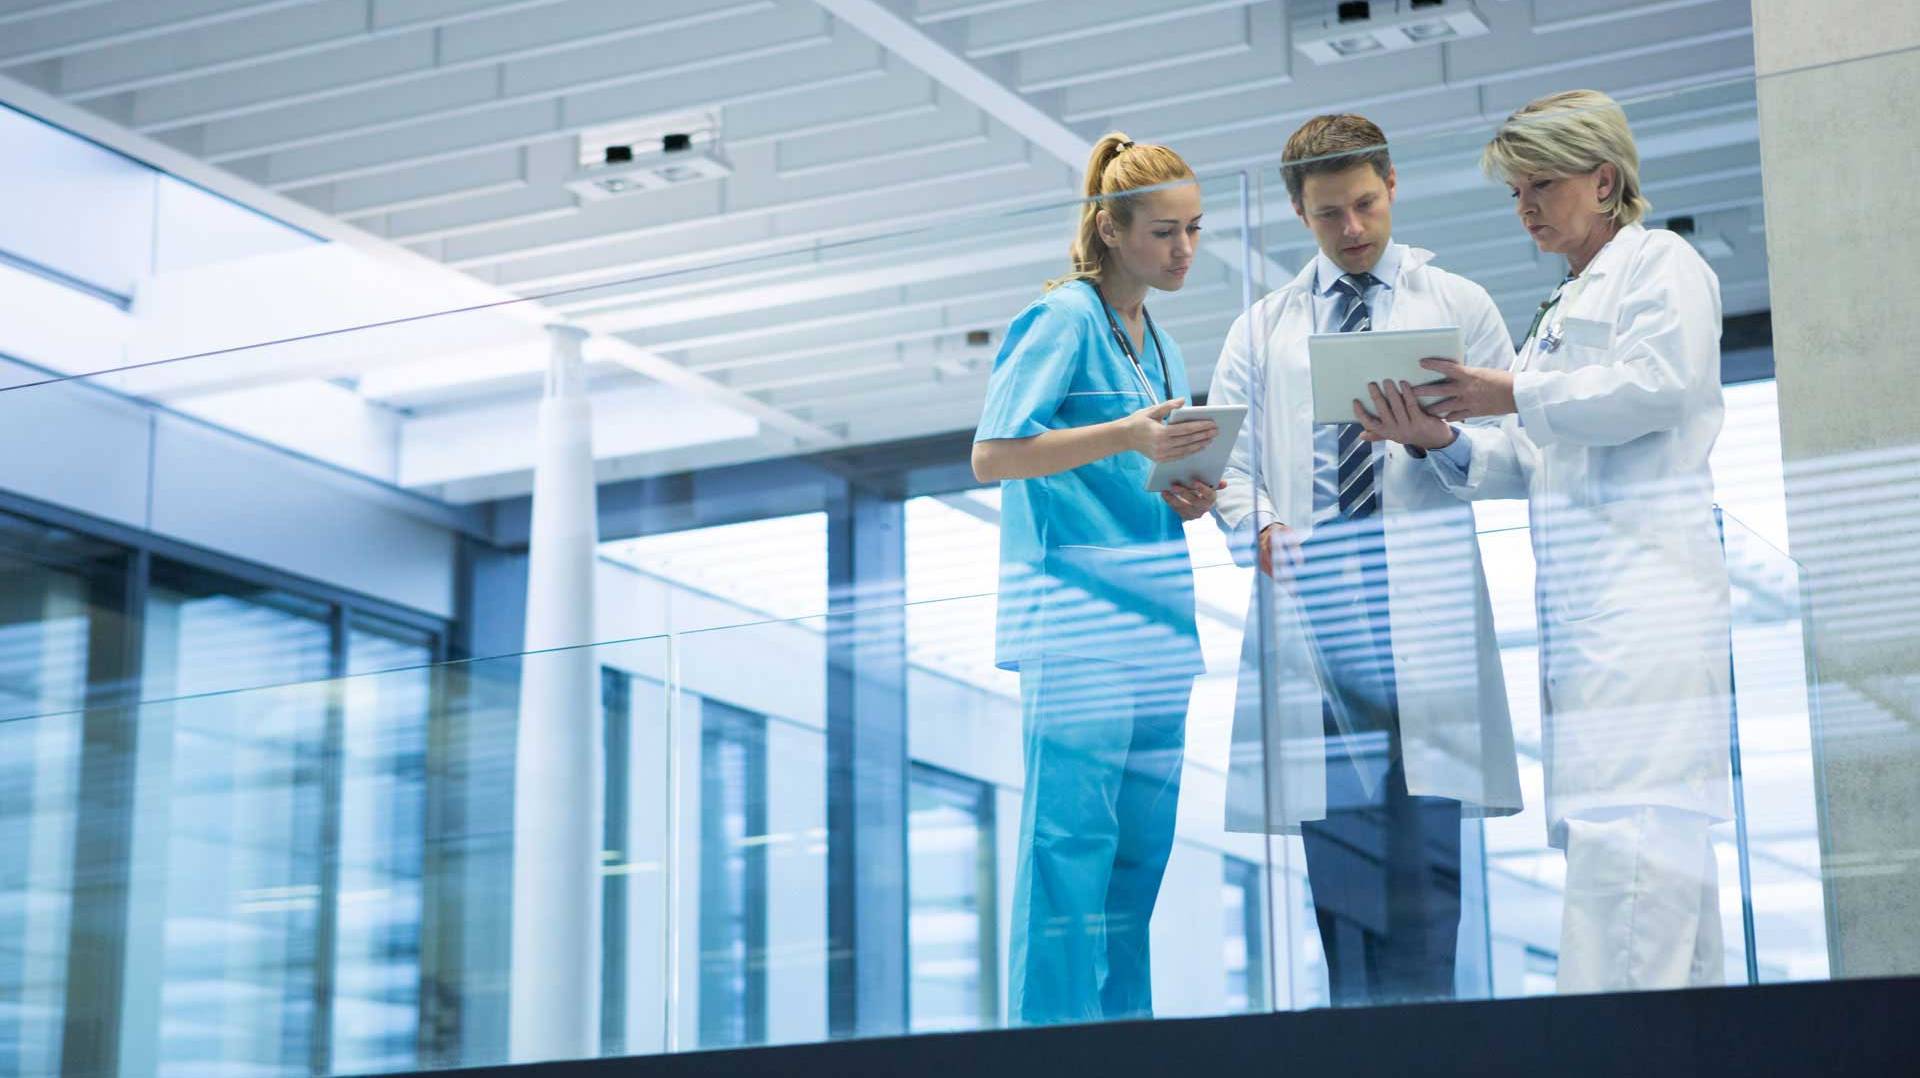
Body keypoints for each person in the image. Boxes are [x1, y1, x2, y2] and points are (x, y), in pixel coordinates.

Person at [1360, 89, 1733, 993]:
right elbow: (1531, 458)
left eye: (1542, 185)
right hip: (1587, 606)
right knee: (1641, 859)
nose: (1525, 206)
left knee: (1630, 845)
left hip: (1647, 600)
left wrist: (1512, 393)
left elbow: (1659, 387)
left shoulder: (1661, 265)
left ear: (1606, 181)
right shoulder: (1563, 305)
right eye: (1515, 191)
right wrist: (1441, 437)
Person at [1209, 114, 1524, 1006]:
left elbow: (1521, 452)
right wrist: (1261, 527)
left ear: (1392, 183)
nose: (1351, 230)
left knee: (1428, 888)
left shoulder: (1456, 305)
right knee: (1341, 885)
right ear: (1297, 215)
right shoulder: (1261, 329)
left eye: (1364, 204)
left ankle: (1433, 1048)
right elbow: (1232, 467)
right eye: (1327, 215)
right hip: (1321, 617)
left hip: (1416, 617)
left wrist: (1438, 442)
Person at [972, 133, 1217, 1025]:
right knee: (1068, 848)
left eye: (1193, 230)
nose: (1183, 249)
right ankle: (1050, 1045)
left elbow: (1140, 473)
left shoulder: (1163, 346)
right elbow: (993, 455)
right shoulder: (1062, 320)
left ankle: (1125, 1040)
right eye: (1164, 232)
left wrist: (1184, 492)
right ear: (1110, 230)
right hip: (1076, 625)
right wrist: (1125, 438)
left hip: (1158, 621)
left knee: (1138, 858)